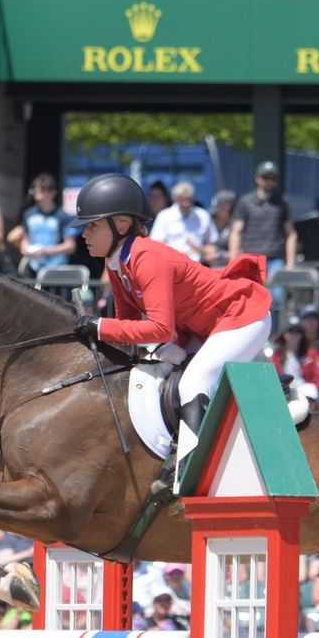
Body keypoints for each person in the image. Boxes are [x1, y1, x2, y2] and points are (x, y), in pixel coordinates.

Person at [70, 173, 272, 464]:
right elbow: (127, 322)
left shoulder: (147, 256)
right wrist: (102, 336)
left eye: (92, 226)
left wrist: (99, 326)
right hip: (202, 329)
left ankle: (191, 469)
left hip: (241, 315)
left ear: (122, 226)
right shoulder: (115, 263)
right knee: (161, 365)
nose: (84, 234)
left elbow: (159, 329)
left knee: (194, 381)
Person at [229, 161, 295, 279]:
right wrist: (233, 263)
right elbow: (235, 233)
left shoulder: (282, 202)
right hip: (250, 258)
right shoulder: (245, 201)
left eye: (273, 178)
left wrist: (290, 263)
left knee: (277, 296)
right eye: (266, 177)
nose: (269, 181)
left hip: (275, 259)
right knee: (250, 295)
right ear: (257, 179)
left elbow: (291, 234)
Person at [11, 176, 76, 277]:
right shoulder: (29, 214)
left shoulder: (62, 216)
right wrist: (25, 249)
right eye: (36, 191)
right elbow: (25, 240)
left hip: (55, 270)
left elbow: (70, 246)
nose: (38, 196)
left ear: (53, 192)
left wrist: (45, 251)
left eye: (42, 191)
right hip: (33, 269)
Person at [149, 181, 217, 263]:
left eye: (188, 200)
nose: (186, 203)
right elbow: (156, 242)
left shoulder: (203, 216)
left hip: (199, 264)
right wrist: (177, 253)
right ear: (176, 200)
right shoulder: (164, 216)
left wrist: (202, 250)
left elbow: (213, 243)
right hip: (173, 263)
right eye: (182, 200)